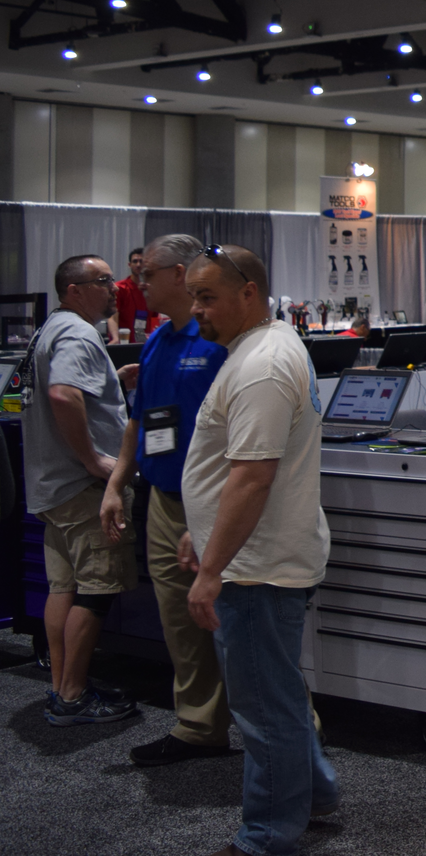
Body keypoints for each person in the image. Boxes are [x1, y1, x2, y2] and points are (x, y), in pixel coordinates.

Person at [179, 243, 340, 853]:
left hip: (256, 569)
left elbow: (252, 478)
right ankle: (314, 790)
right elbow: (230, 469)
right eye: (193, 296)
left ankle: (268, 834)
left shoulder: (262, 366)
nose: (196, 309)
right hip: (256, 558)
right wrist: (201, 530)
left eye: (207, 297)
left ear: (249, 293)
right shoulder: (262, 348)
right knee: (277, 690)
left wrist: (212, 567)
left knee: (263, 705)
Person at [102, 234, 234, 764]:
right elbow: (140, 419)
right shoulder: (157, 340)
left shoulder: (221, 342)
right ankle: (200, 726)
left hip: (215, 501)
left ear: (180, 273)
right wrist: (116, 484)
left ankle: (290, 741)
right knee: (180, 620)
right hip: (161, 497)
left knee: (240, 622)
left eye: (148, 273)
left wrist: (208, 514)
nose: (139, 283)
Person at [24, 254, 138, 725]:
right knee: (95, 591)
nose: (114, 288)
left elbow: (38, 392)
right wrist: (94, 460)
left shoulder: (48, 329)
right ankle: (72, 696)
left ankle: (61, 687)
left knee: (63, 588)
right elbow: (61, 394)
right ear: (74, 290)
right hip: (82, 486)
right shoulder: (77, 332)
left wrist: (111, 381)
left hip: (52, 486)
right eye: (103, 280)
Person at [116, 246, 157, 342]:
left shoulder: (153, 289)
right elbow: (113, 316)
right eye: (135, 261)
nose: (138, 265)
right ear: (129, 264)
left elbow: (156, 317)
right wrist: (115, 337)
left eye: (141, 261)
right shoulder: (120, 288)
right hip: (125, 342)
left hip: (147, 342)